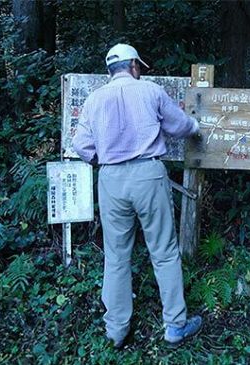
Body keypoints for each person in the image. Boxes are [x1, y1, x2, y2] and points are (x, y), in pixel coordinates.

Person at [72, 43, 202, 348]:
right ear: (133, 67)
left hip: (111, 178)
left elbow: (81, 145)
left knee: (116, 255)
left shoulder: (94, 99)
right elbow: (179, 125)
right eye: (139, 67)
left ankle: (116, 329)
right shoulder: (151, 91)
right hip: (147, 174)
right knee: (164, 251)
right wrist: (196, 127)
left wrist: (101, 160)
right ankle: (174, 325)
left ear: (111, 70)